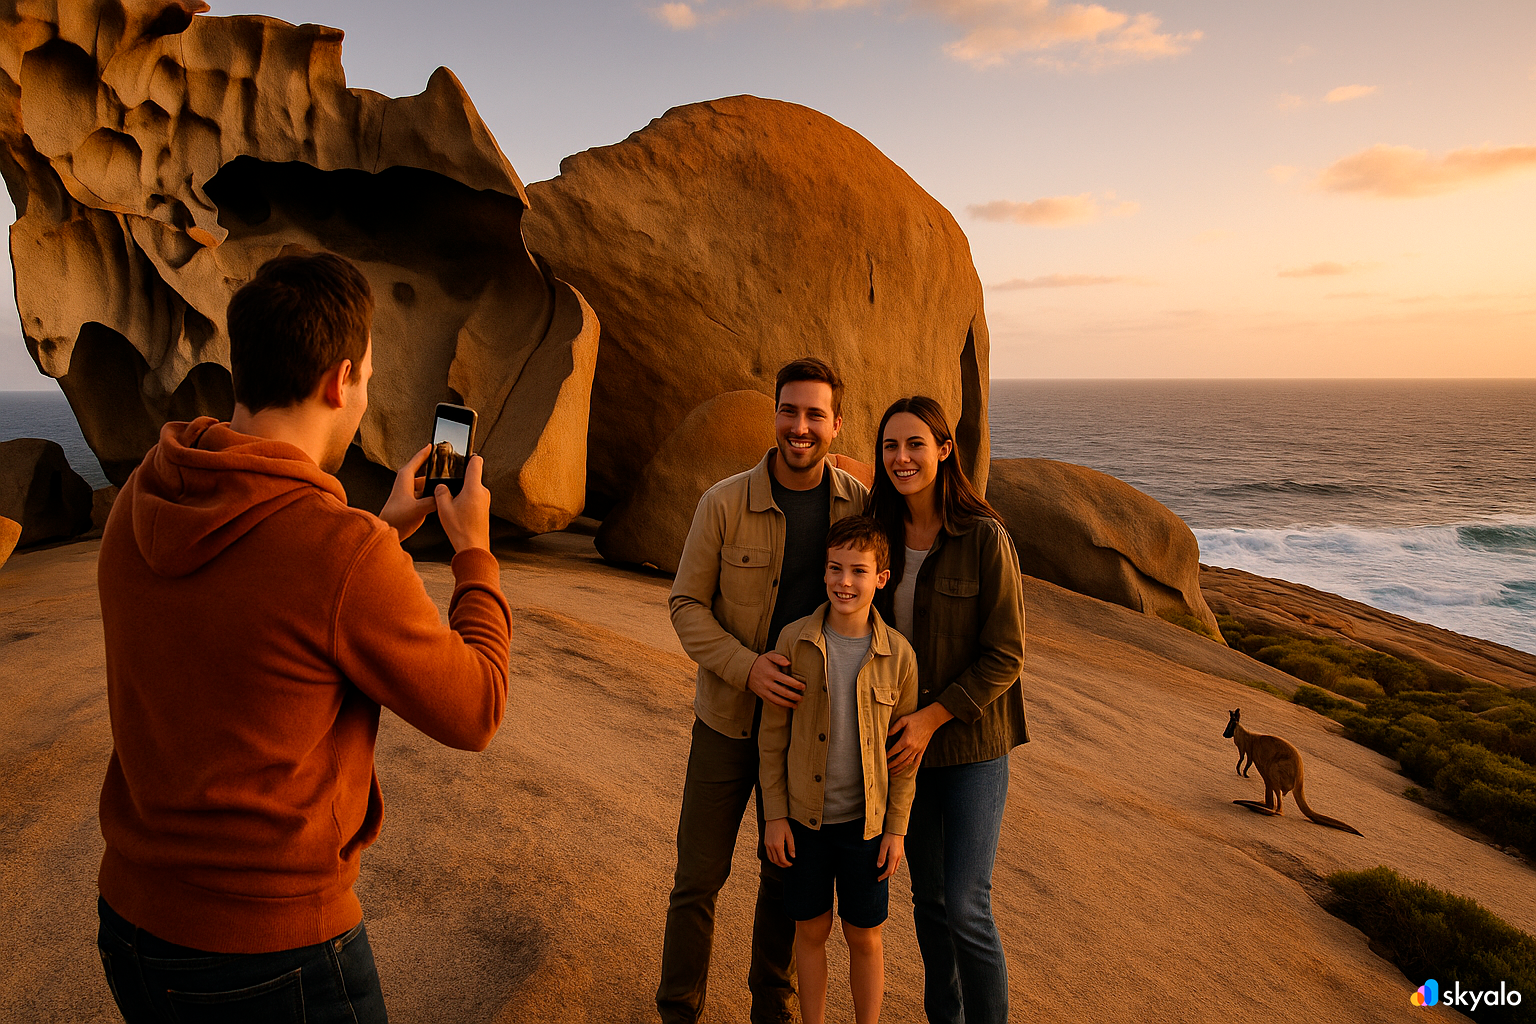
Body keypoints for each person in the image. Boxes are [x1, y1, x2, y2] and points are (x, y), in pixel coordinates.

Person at [94, 252, 512, 1023]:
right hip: (269, 953)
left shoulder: (142, 498)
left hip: (131, 926)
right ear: (338, 379)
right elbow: (477, 708)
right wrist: (472, 553)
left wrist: (383, 529)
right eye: (367, 378)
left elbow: (266, 618)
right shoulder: (338, 554)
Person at [660, 357, 869, 1024]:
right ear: (773, 414)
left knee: (787, 880)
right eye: (790, 410)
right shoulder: (723, 502)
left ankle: (770, 1011)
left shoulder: (857, 508)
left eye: (814, 415)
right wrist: (746, 666)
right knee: (697, 879)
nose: (799, 427)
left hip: (807, 738)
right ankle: (677, 1012)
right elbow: (686, 604)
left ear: (836, 425)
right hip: (725, 722)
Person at [868, 396, 1027, 1024]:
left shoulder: (984, 536)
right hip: (902, 748)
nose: (902, 458)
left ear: (944, 449)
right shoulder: (876, 533)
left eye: (914, 444)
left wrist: (934, 719)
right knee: (929, 905)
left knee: (966, 906)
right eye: (890, 447)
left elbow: (1006, 654)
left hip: (971, 747)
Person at [759, 515, 919, 1024]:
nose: (843, 581)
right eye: (834, 568)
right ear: (823, 572)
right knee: (810, 931)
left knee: (864, 935)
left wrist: (896, 828)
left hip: (866, 827)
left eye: (857, 570)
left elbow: (905, 760)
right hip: (805, 823)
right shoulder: (794, 641)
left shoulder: (900, 657)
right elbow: (772, 738)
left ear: (881, 578)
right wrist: (775, 815)